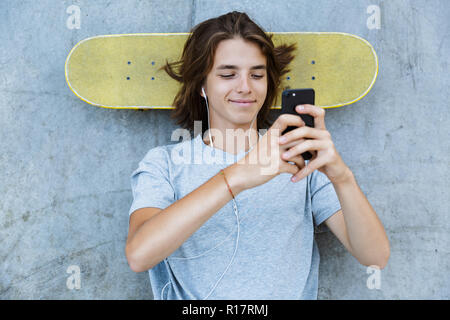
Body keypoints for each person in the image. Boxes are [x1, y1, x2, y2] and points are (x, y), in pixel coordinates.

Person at [125, 11, 390, 300]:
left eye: (257, 74)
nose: (245, 87)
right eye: (228, 74)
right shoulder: (164, 164)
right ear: (202, 84)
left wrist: (342, 177)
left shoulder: (297, 155)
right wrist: (235, 177)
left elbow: (374, 255)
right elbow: (139, 255)